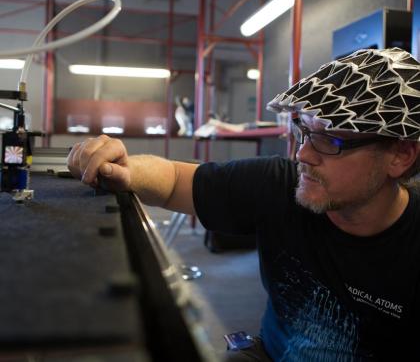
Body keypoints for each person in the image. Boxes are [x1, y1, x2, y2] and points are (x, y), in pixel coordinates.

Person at [67, 47, 420, 361]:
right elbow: (174, 179)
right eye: (304, 132)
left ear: (400, 156)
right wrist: (123, 167)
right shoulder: (279, 185)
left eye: (330, 140)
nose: (303, 154)